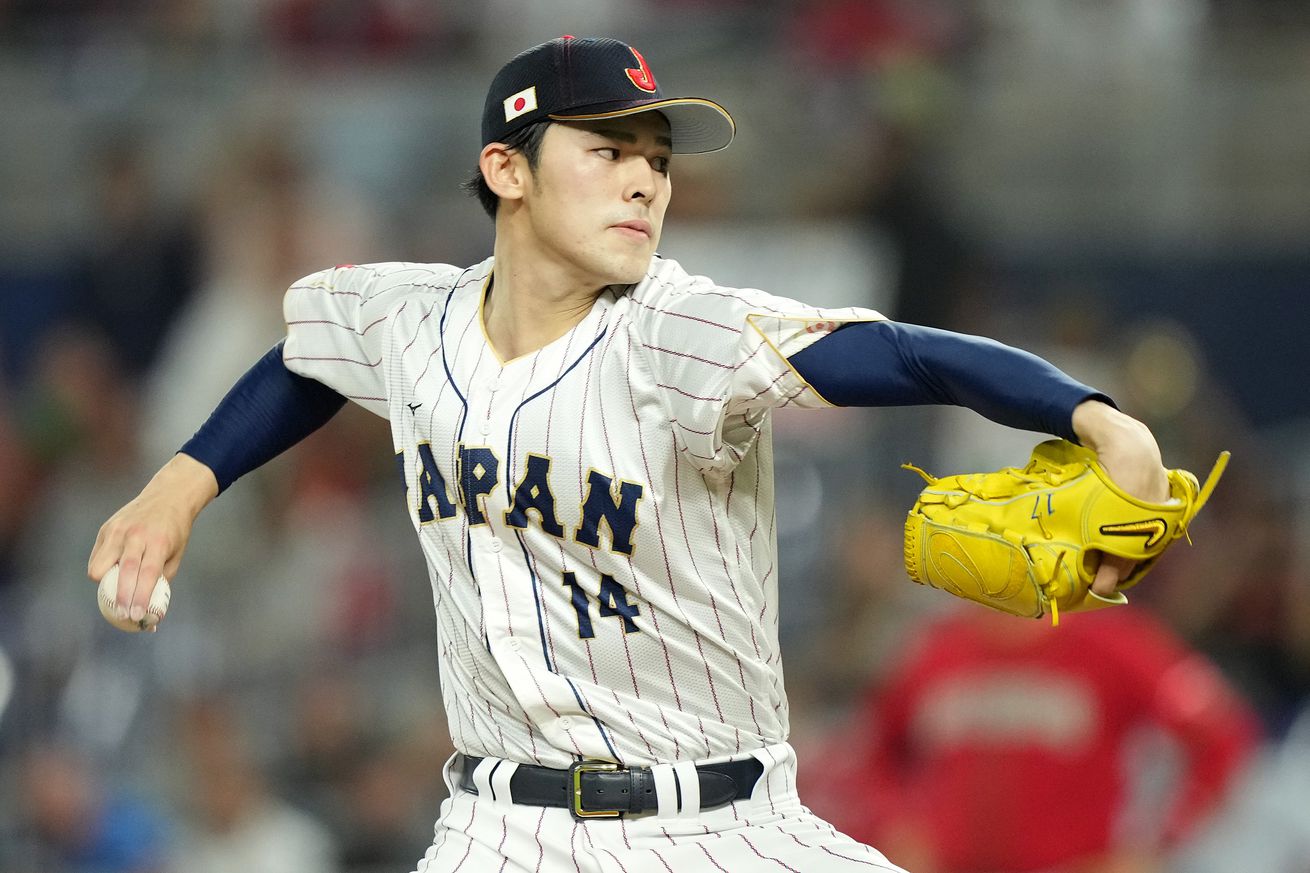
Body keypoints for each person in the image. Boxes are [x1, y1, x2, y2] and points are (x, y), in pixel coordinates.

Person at [88, 36, 1175, 872]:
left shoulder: (676, 331)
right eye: (607, 151)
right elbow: (305, 361)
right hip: (499, 831)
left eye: (653, 158)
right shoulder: (404, 319)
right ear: (505, 170)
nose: (645, 181)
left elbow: (890, 353)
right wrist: (179, 489)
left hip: (725, 826)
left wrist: (1091, 415)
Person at [800, 606, 1260, 873]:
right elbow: (873, 754)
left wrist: (1154, 845)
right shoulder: (937, 648)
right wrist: (895, 825)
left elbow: (1220, 738)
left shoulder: (1112, 642)